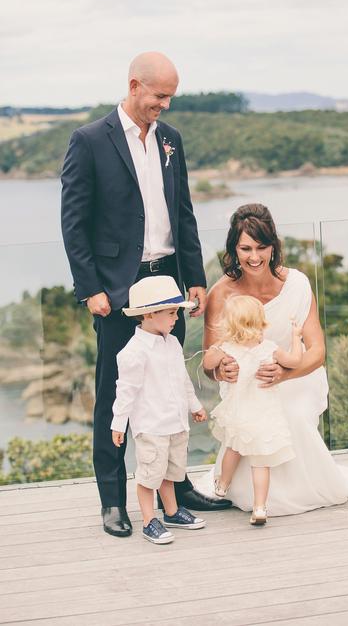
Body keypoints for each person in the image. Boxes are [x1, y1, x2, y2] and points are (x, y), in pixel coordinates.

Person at [61, 51, 231, 538]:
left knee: (170, 387)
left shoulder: (171, 141)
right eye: (160, 96)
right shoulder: (89, 140)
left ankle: (175, 488)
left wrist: (194, 275)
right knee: (116, 394)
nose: (165, 106)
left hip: (168, 283)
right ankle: (113, 501)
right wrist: (90, 287)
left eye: (170, 97)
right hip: (118, 289)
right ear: (135, 85)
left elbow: (184, 212)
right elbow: (73, 222)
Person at [199, 203, 348, 515]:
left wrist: (284, 375)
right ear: (234, 249)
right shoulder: (221, 294)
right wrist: (222, 370)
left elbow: (317, 351)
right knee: (255, 415)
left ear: (273, 246)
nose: (254, 257)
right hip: (248, 384)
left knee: (288, 411)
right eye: (245, 248)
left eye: (262, 247)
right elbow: (208, 364)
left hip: (296, 373)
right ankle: (246, 491)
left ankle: (292, 491)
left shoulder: (298, 284)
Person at [111, 276, 207, 544]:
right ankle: (149, 520)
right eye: (172, 312)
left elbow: (183, 378)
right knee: (150, 475)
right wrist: (118, 423)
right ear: (150, 314)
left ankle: (172, 512)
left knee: (170, 471)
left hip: (175, 423)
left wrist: (194, 405)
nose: (177, 318)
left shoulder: (172, 343)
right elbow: (125, 390)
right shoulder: (134, 352)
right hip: (151, 427)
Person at [203, 295, 302, 525]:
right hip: (264, 414)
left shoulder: (226, 348)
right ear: (260, 322)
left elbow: (207, 363)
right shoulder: (270, 349)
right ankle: (259, 508)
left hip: (239, 413)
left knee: (233, 449)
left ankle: (222, 486)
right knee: (261, 463)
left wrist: (216, 350)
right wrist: (296, 338)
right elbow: (295, 361)